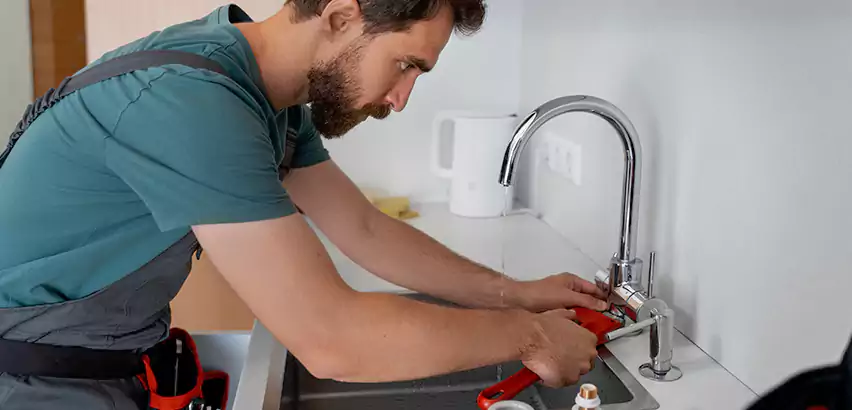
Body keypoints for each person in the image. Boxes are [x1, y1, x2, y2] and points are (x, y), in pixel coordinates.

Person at [0, 0, 609, 408]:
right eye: (405, 64)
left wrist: (516, 293)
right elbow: (331, 339)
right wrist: (527, 338)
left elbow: (365, 230)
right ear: (342, 16)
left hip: (99, 361)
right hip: (33, 379)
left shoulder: (268, 98)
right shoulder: (191, 102)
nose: (401, 98)